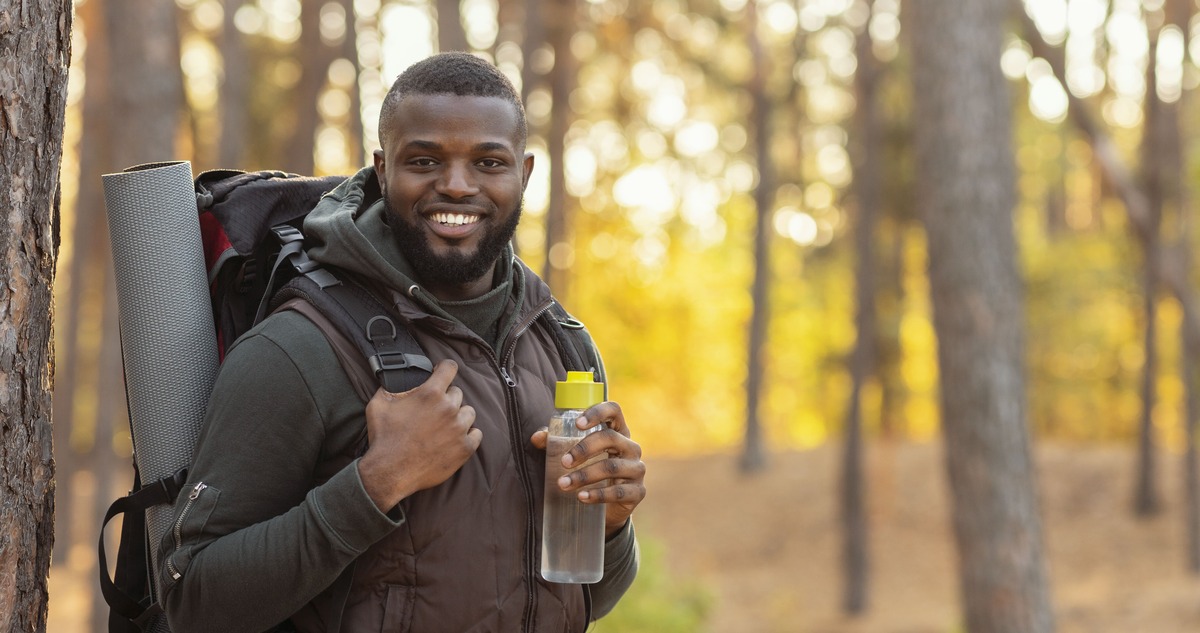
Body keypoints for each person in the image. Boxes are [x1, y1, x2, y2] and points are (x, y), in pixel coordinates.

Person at [157, 52, 646, 632]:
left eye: (489, 161)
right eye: (425, 160)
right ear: (383, 171)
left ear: (525, 172)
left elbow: (580, 602)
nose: (457, 185)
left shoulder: (563, 345)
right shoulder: (300, 348)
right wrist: (376, 483)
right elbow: (192, 602)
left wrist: (611, 526)